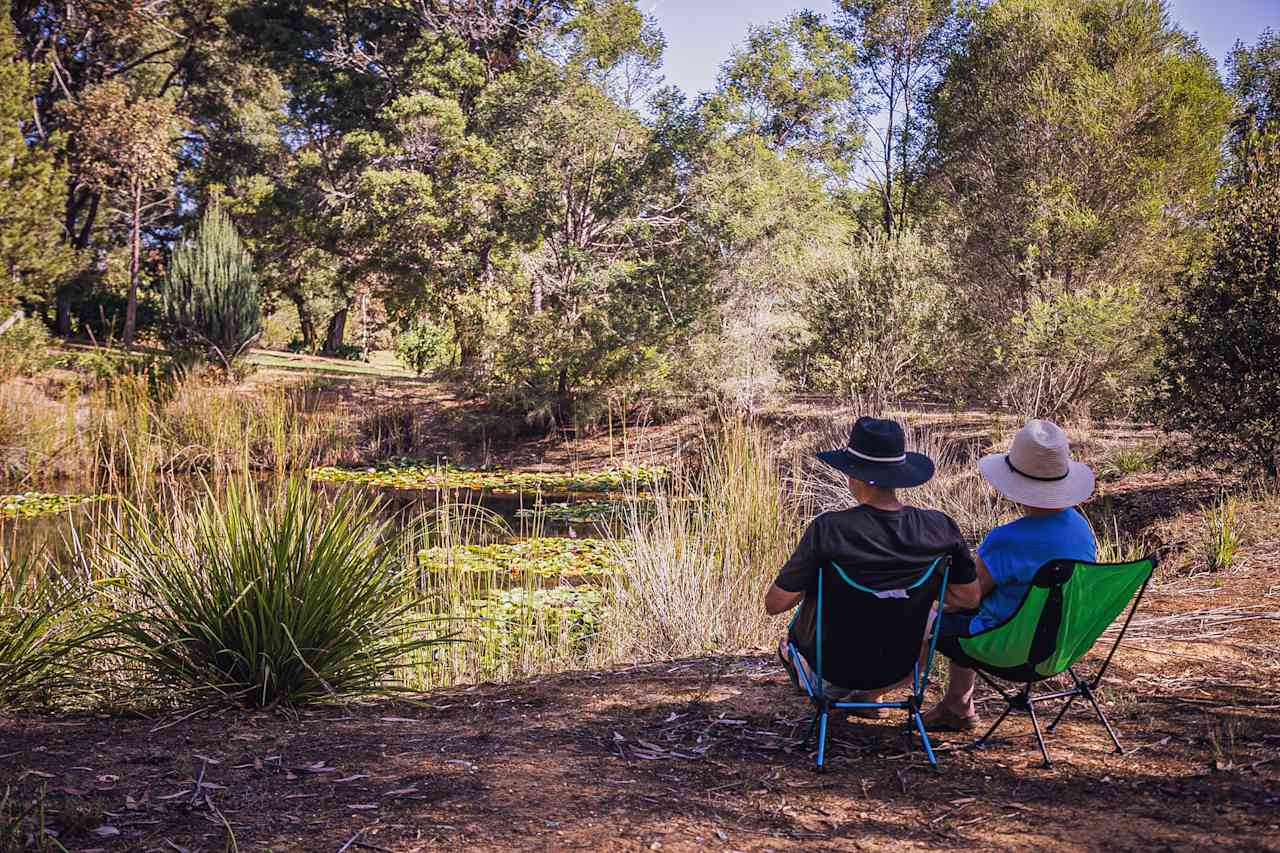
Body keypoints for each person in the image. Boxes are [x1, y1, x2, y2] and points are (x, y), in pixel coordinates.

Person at [766, 417, 982, 710]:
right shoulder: (940, 528)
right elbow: (970, 598)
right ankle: (874, 691)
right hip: (903, 664)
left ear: (855, 476)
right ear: (899, 475)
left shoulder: (830, 530)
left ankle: (832, 686)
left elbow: (775, 604)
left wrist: (820, 586)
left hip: (833, 661)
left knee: (796, 636)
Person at [922, 419, 1097, 731]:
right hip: (1064, 645)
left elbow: (968, 596)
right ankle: (957, 704)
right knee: (973, 615)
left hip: (1011, 649)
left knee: (934, 618)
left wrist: (931, 595)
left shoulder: (1007, 540)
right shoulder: (1081, 530)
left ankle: (873, 694)